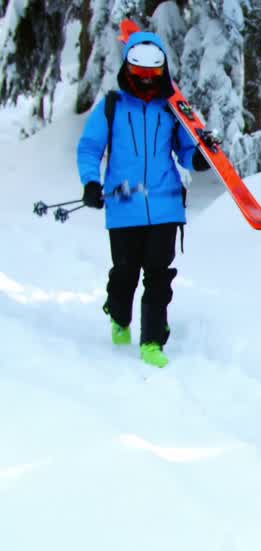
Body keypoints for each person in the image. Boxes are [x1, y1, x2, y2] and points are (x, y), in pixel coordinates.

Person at [77, 28, 210, 368]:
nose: (147, 81)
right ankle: (119, 315)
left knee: (158, 274)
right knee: (125, 273)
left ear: (163, 72)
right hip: (123, 206)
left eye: (153, 74)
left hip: (165, 203)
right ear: (128, 69)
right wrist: (91, 183)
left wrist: (197, 157)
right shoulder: (112, 106)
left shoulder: (171, 108)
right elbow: (90, 148)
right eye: (140, 74)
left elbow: (184, 148)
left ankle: (152, 339)